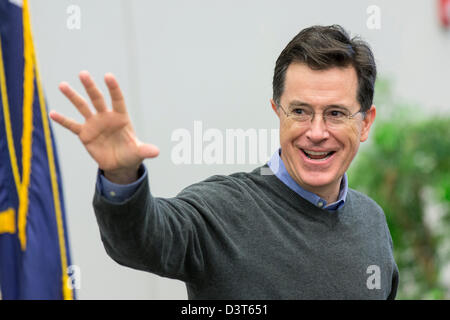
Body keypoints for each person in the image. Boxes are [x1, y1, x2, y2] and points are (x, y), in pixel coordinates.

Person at [50, 24, 399, 299]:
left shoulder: (372, 222)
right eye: (300, 111)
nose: (317, 131)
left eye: (336, 113)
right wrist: (121, 174)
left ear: (365, 122)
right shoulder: (220, 209)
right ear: (278, 112)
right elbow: (141, 240)